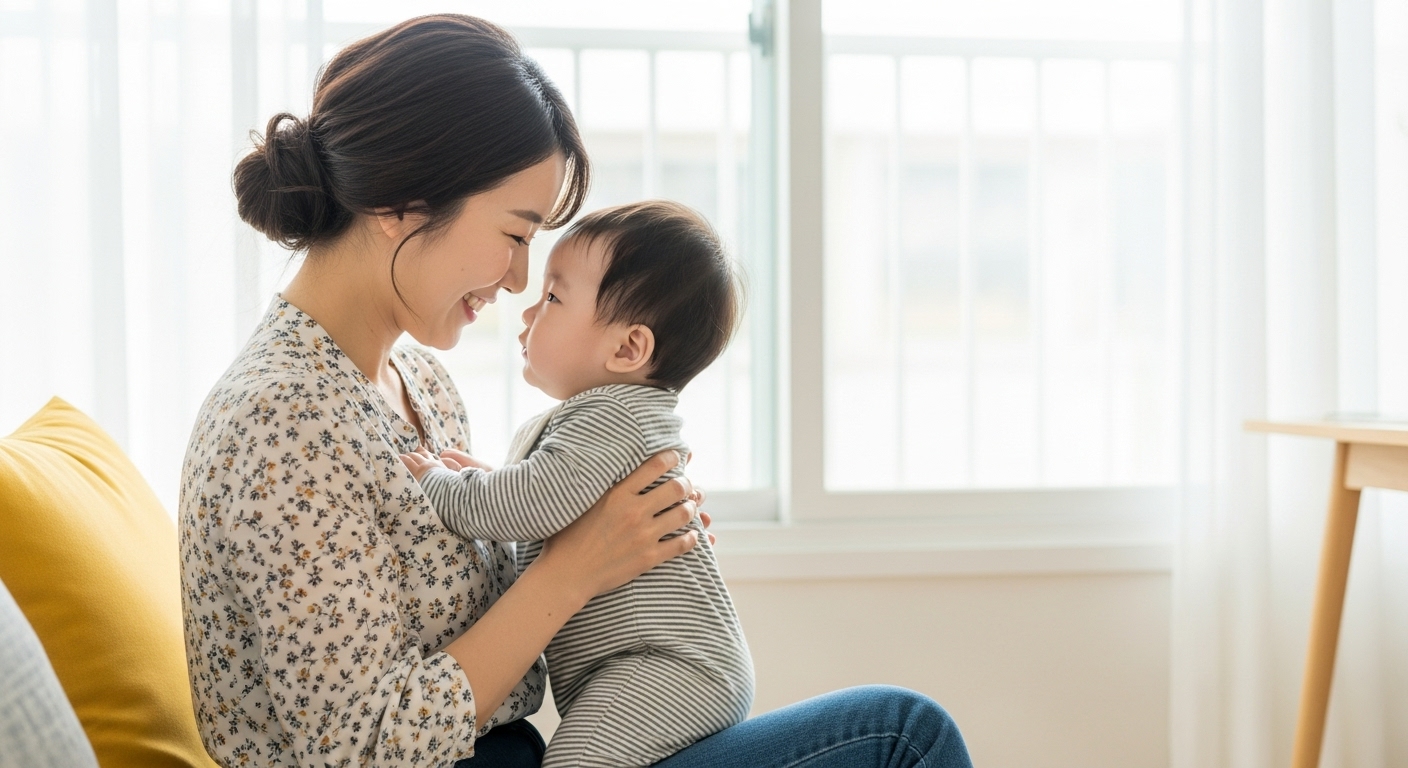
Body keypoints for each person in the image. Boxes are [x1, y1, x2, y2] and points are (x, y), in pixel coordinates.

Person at [179, 12, 974, 768]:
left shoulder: (418, 381)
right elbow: (355, 751)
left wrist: (629, 536)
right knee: (904, 738)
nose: (521, 277)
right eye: (516, 234)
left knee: (905, 731)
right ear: (400, 204)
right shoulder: (280, 421)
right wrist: (577, 569)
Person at [400, 200, 754, 768]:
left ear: (627, 349)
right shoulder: (610, 416)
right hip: (656, 665)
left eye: (554, 298)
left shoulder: (612, 416)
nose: (526, 311)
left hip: (665, 666)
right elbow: (553, 505)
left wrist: (439, 484)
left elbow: (531, 505)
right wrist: (491, 480)